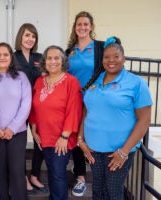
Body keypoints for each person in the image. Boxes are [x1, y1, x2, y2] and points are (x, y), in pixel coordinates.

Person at [78, 36, 152, 200]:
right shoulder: (95, 80)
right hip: (94, 150)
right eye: (107, 57)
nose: (111, 60)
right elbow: (86, 110)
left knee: (113, 193)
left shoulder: (136, 83)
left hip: (118, 152)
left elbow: (144, 120)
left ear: (123, 58)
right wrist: (80, 139)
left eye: (116, 56)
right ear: (102, 59)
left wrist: (124, 152)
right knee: (97, 190)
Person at [29, 45, 82, 200]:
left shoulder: (71, 82)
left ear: (63, 61)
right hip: (44, 136)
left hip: (62, 138)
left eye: (56, 58)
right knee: (52, 171)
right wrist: (33, 129)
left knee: (58, 174)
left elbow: (74, 110)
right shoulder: (39, 82)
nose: (53, 61)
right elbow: (34, 107)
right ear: (44, 62)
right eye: (49, 58)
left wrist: (64, 137)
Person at [0, 42, 32, 200]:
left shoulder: (21, 77)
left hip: (17, 133)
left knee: (17, 172)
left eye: (5, 54)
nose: (2, 57)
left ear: (11, 57)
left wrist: (12, 127)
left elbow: (26, 104)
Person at [65, 10, 105, 197]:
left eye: (85, 24)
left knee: (92, 135)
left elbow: (108, 69)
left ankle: (97, 173)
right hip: (74, 100)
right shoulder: (69, 51)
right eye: (79, 24)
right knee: (76, 136)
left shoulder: (100, 47)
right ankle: (80, 176)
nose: (82, 27)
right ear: (75, 27)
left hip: (94, 99)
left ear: (91, 27)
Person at [14, 23, 48, 195]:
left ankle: (35, 175)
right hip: (18, 107)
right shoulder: (13, 57)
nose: (30, 39)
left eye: (33, 36)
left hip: (38, 106)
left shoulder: (40, 57)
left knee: (39, 141)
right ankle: (22, 178)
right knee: (19, 144)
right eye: (27, 35)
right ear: (20, 36)